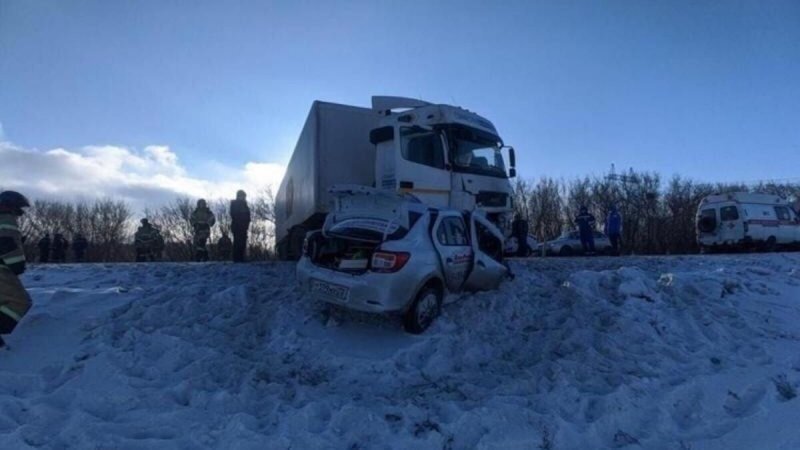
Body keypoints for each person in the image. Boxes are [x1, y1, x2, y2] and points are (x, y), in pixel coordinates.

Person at [0, 191, 33, 349]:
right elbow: (7, 244)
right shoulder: (6, 219)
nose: (20, 213)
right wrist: (17, 264)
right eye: (18, 208)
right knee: (19, 301)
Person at [230, 190, 251, 262]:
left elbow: (248, 215)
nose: (243, 198)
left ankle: (241, 257)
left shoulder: (245, 205)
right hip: (237, 226)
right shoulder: (234, 204)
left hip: (244, 226)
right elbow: (234, 214)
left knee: (243, 242)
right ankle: (236, 258)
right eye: (242, 196)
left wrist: (247, 223)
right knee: (237, 242)